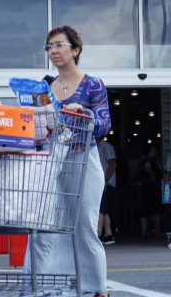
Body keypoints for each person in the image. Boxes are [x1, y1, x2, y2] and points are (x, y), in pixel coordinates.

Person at [30, 26, 111, 297]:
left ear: (75, 50)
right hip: (51, 163)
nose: (53, 51)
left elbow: (103, 124)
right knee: (45, 226)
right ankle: (44, 286)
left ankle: (95, 288)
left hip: (83, 161)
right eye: (49, 47)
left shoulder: (92, 85)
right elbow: (36, 128)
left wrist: (84, 113)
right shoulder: (43, 87)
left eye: (59, 45)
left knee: (85, 226)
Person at [136, 152, 163, 237]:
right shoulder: (143, 173)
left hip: (153, 193)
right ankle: (144, 232)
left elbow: (159, 174)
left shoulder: (155, 170)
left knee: (155, 213)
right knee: (144, 214)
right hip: (146, 194)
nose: (147, 166)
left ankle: (156, 231)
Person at [96, 138, 117, 244]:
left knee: (100, 209)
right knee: (105, 210)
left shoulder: (105, 146)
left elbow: (113, 164)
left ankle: (98, 234)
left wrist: (106, 180)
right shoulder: (97, 146)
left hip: (105, 183)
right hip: (103, 183)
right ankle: (109, 234)